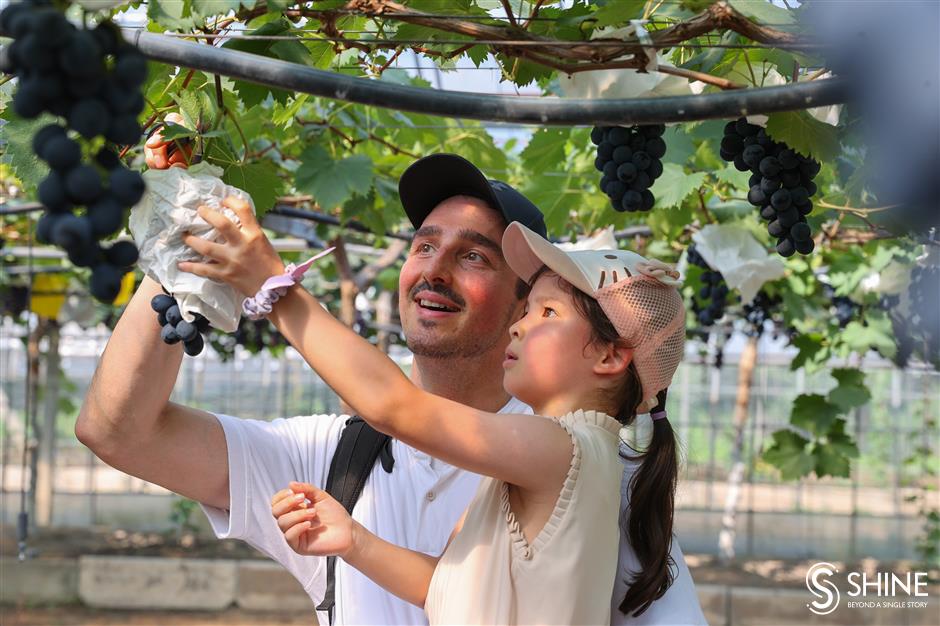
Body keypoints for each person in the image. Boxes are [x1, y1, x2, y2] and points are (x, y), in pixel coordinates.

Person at [79, 149, 706, 624]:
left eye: (474, 256)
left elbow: (394, 405)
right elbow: (116, 431)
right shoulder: (332, 460)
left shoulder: (599, 470)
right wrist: (181, 253)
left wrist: (273, 283)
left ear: (523, 307)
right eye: (424, 244)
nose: (432, 268)